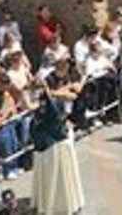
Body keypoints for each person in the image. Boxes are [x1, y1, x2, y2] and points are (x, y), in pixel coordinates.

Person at [31, 82, 85, 215]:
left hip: (55, 146)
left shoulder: (53, 107)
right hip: (45, 147)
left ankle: (61, 205)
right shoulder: (43, 109)